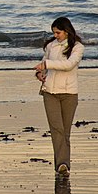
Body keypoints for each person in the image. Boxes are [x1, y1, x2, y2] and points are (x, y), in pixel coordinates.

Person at [33, 16, 84, 177]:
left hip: (69, 93)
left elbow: (69, 65)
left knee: (65, 131)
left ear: (66, 31)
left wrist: (47, 65)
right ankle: (62, 164)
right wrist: (40, 73)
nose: (55, 35)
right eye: (54, 33)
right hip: (50, 92)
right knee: (56, 129)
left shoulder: (77, 47)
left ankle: (62, 164)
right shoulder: (50, 46)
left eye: (58, 32)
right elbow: (43, 63)